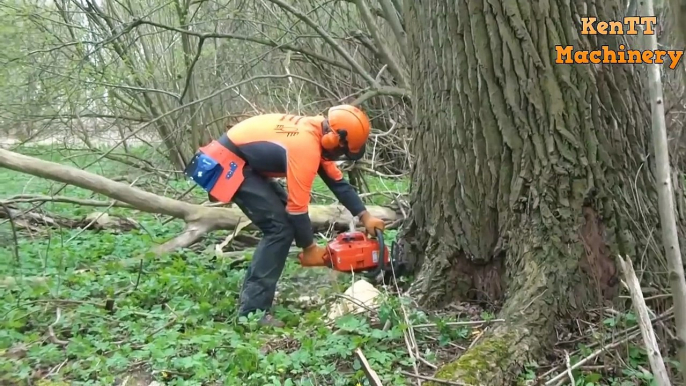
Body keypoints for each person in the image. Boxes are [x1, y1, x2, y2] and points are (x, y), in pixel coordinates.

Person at [183, 104, 386, 327]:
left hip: (246, 163)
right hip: (228, 163)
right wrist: (309, 249)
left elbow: (338, 184)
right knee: (279, 229)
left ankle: (254, 299)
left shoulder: (318, 130)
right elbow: (297, 208)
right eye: (342, 152)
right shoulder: (306, 146)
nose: (339, 157)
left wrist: (365, 216)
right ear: (333, 140)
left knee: (284, 226)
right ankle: (252, 313)